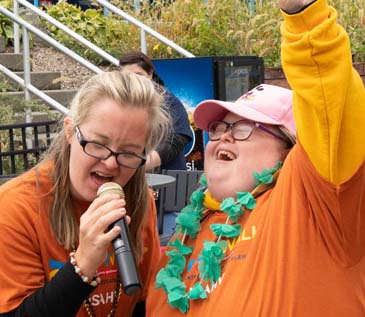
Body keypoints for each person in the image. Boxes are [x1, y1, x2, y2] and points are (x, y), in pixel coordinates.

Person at [146, 0, 365, 315]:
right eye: (219, 127)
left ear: (289, 150)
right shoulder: (187, 230)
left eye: (244, 128)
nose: (223, 135)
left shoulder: (317, 205)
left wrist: (303, 15)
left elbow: (328, 99)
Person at [0, 71, 170, 317]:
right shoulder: (15, 207)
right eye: (99, 144)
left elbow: (144, 302)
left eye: (129, 152)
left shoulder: (138, 199)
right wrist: (82, 265)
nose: (111, 164)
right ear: (70, 132)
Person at [119, 51, 193, 171]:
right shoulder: (117, 103)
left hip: (168, 178)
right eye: (128, 77)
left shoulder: (168, 101)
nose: (134, 81)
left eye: (138, 75)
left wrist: (142, 165)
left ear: (150, 74)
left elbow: (178, 139)